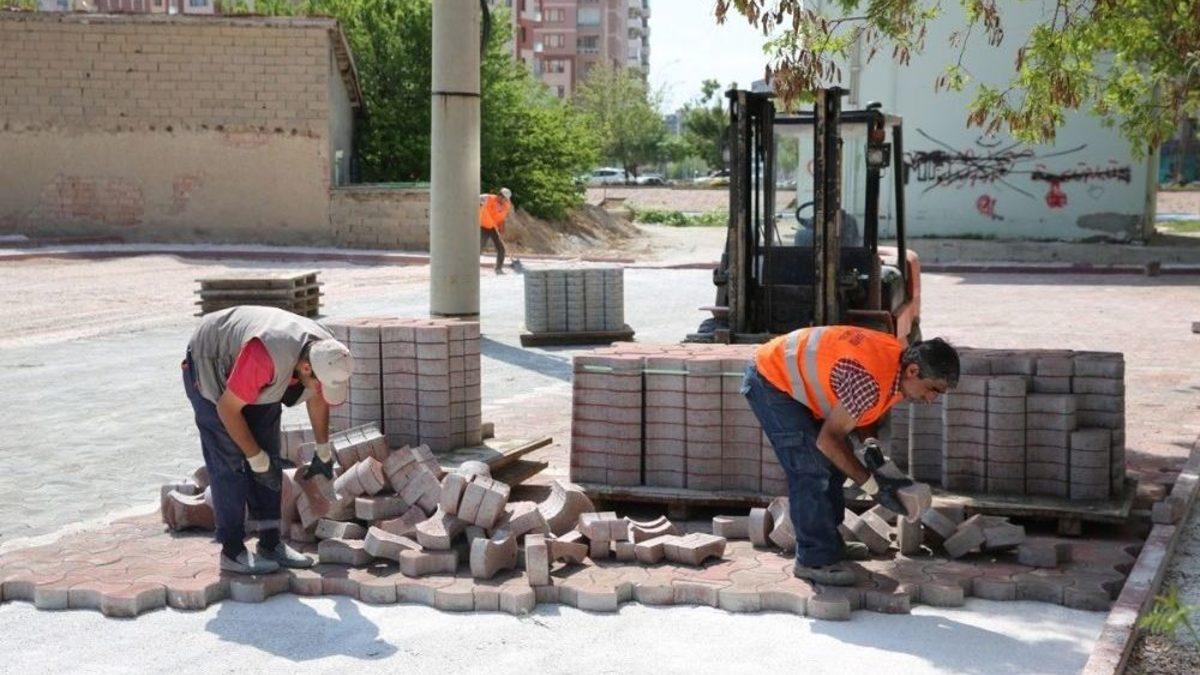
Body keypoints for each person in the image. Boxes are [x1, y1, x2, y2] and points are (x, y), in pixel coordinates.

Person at [742, 326, 959, 585]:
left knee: (835, 466)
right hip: (770, 379)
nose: (932, 399)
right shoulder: (870, 380)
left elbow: (864, 408)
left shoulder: (898, 363)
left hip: (795, 376)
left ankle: (829, 546)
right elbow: (828, 440)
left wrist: (870, 445)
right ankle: (813, 560)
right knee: (811, 468)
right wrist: (874, 487)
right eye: (933, 389)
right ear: (913, 371)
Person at [182, 305, 353, 574]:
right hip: (211, 361)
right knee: (230, 460)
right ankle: (232, 550)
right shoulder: (265, 356)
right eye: (319, 383)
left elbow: (318, 396)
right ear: (306, 368)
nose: (321, 389)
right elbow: (227, 409)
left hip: (253, 366)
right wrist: (255, 458)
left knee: (269, 456)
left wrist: (323, 450)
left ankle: (271, 544)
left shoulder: (327, 351)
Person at [479, 187, 512, 274]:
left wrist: (501, 228)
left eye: (506, 199)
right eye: (504, 199)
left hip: (494, 227)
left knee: (501, 249)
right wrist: (480, 204)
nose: (505, 201)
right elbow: (475, 199)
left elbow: (502, 218)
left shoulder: (506, 205)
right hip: (484, 226)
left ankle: (498, 269)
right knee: (479, 247)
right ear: (500, 195)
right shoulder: (488, 198)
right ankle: (471, 268)